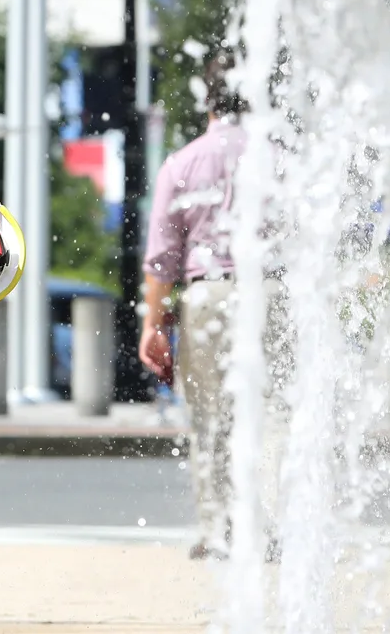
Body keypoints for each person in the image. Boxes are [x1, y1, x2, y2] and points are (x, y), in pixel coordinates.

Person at [138, 49, 289, 562]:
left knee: (209, 419)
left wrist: (153, 325)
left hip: (209, 295)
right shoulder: (283, 157)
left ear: (207, 98)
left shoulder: (183, 162)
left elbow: (162, 259)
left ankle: (221, 531)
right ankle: (268, 529)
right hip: (270, 292)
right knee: (270, 413)